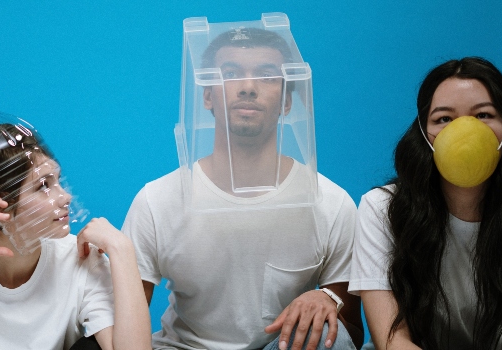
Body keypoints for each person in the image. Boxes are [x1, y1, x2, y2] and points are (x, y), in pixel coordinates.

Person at [122, 20, 362, 350]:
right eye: (231, 73)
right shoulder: (157, 201)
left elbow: (350, 332)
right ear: (207, 95)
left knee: (325, 339)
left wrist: (326, 300)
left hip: (278, 348)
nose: (248, 87)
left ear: (287, 102)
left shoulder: (331, 204)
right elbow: (119, 324)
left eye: (266, 75)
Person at [0, 122, 151, 350]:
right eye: (43, 186)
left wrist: (122, 250)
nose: (65, 197)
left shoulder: (80, 258)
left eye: (58, 181)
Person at [349, 57, 502, 349]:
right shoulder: (381, 208)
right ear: (423, 133)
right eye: (444, 119)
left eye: (482, 115)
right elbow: (392, 341)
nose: (465, 131)